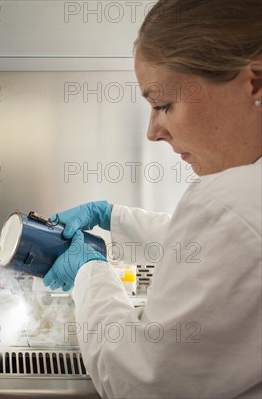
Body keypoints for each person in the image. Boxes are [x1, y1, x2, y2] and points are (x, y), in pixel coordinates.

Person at [43, 0, 262, 397]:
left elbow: (144, 381)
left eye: (164, 105)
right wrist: (112, 217)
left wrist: (89, 274)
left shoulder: (230, 200)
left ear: (255, 84)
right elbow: (225, 249)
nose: (153, 132)